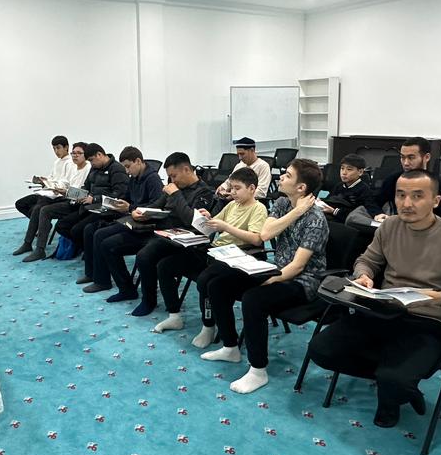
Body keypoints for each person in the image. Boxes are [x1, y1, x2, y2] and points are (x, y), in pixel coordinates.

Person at [308, 170, 441, 428]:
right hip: (385, 311)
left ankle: (393, 391)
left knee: (394, 380)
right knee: (320, 350)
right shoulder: (389, 226)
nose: (407, 203)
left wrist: (436, 297)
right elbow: (367, 260)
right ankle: (397, 385)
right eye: (401, 195)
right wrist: (363, 275)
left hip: (429, 321)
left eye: (417, 196)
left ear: (436, 201)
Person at [201, 158, 330, 395]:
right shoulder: (282, 203)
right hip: (277, 269)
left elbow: (298, 266)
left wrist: (272, 279)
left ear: (301, 187)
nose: (281, 177)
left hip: (303, 282)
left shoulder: (316, 219)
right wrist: (297, 211)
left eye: (288, 175)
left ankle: (258, 370)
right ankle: (230, 347)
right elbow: (266, 233)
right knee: (218, 285)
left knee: (254, 299)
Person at [151, 166, 268, 333]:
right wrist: (207, 217)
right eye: (231, 188)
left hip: (236, 255)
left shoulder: (258, 208)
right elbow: (213, 225)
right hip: (215, 251)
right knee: (165, 265)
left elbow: (256, 239)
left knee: (205, 281)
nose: (233, 192)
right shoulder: (232, 205)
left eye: (237, 188)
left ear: (251, 188)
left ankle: (208, 326)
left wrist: (225, 227)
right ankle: (174, 315)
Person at [93, 152, 214, 307]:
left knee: (144, 256)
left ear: (186, 169)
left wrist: (176, 194)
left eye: (174, 176)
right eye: (170, 177)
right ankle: (126, 289)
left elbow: (191, 221)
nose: (172, 180)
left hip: (179, 238)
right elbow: (156, 205)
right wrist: (138, 211)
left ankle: (149, 301)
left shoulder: (204, 192)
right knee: (107, 245)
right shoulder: (175, 186)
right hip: (156, 230)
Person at [77, 148, 163, 288]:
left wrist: (129, 208)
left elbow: (155, 207)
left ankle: (107, 282)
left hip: (145, 225)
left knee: (101, 237)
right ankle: (96, 277)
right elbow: (126, 197)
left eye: (128, 167)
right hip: (131, 218)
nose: (127, 171)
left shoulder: (153, 179)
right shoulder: (134, 178)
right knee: (92, 230)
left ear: (138, 161)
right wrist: (114, 204)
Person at [17, 141, 91, 261]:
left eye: (79, 153)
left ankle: (39, 249)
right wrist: (55, 186)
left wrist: (64, 192)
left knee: (44, 210)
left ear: (85, 155)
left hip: (76, 204)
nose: (75, 155)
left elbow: (83, 194)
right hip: (68, 198)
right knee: (39, 208)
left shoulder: (87, 169)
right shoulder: (76, 168)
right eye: (73, 153)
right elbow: (67, 183)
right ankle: (29, 243)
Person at [51, 144, 130, 254]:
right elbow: (86, 186)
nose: (91, 163)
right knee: (61, 225)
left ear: (99, 155)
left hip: (105, 210)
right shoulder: (95, 168)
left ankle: (90, 250)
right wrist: (75, 194)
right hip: (88, 206)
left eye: (92, 160)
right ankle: (87, 247)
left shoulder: (117, 169)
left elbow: (119, 195)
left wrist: (94, 199)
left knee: (77, 230)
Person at [374, 137, 441, 225]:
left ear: (426, 157)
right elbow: (374, 201)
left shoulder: (440, 185)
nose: (405, 163)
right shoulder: (393, 179)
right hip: (400, 227)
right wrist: (378, 214)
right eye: (402, 157)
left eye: (411, 158)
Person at [14, 135, 76, 217]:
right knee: (20, 204)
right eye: (54, 148)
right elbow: (52, 177)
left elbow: (66, 183)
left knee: (37, 208)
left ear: (66, 147)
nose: (56, 151)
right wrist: (44, 180)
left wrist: (50, 183)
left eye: (58, 148)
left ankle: (38, 222)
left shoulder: (71, 162)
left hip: (57, 194)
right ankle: (39, 221)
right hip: (48, 192)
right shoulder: (57, 162)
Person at [319, 154, 380, 223]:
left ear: (360, 172)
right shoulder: (339, 186)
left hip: (348, 222)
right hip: (333, 217)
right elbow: (331, 200)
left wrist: (334, 211)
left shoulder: (364, 189)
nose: (344, 173)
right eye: (342, 168)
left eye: (349, 169)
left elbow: (364, 212)